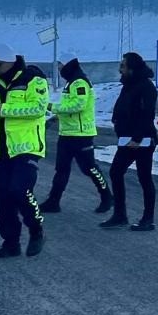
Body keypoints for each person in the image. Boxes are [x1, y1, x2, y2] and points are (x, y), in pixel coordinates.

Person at [0, 45, 49, 259]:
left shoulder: (34, 80)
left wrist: (3, 109)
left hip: (27, 147)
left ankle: (37, 230)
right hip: (2, 150)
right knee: (4, 199)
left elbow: (38, 109)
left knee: (19, 191)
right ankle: (10, 243)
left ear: (11, 61)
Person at [43, 57, 112, 214]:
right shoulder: (71, 82)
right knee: (62, 169)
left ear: (67, 64)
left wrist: (51, 107)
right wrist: (54, 119)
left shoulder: (80, 82)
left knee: (90, 169)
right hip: (67, 134)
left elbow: (77, 106)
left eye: (60, 65)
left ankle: (107, 197)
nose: (59, 68)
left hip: (81, 135)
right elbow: (68, 106)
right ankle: (53, 201)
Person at [101, 51, 158, 232]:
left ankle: (148, 219)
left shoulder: (146, 87)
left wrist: (137, 138)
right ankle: (120, 215)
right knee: (115, 172)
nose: (120, 69)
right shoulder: (129, 85)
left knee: (144, 178)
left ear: (132, 68)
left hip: (141, 140)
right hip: (127, 139)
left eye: (123, 66)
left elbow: (147, 115)